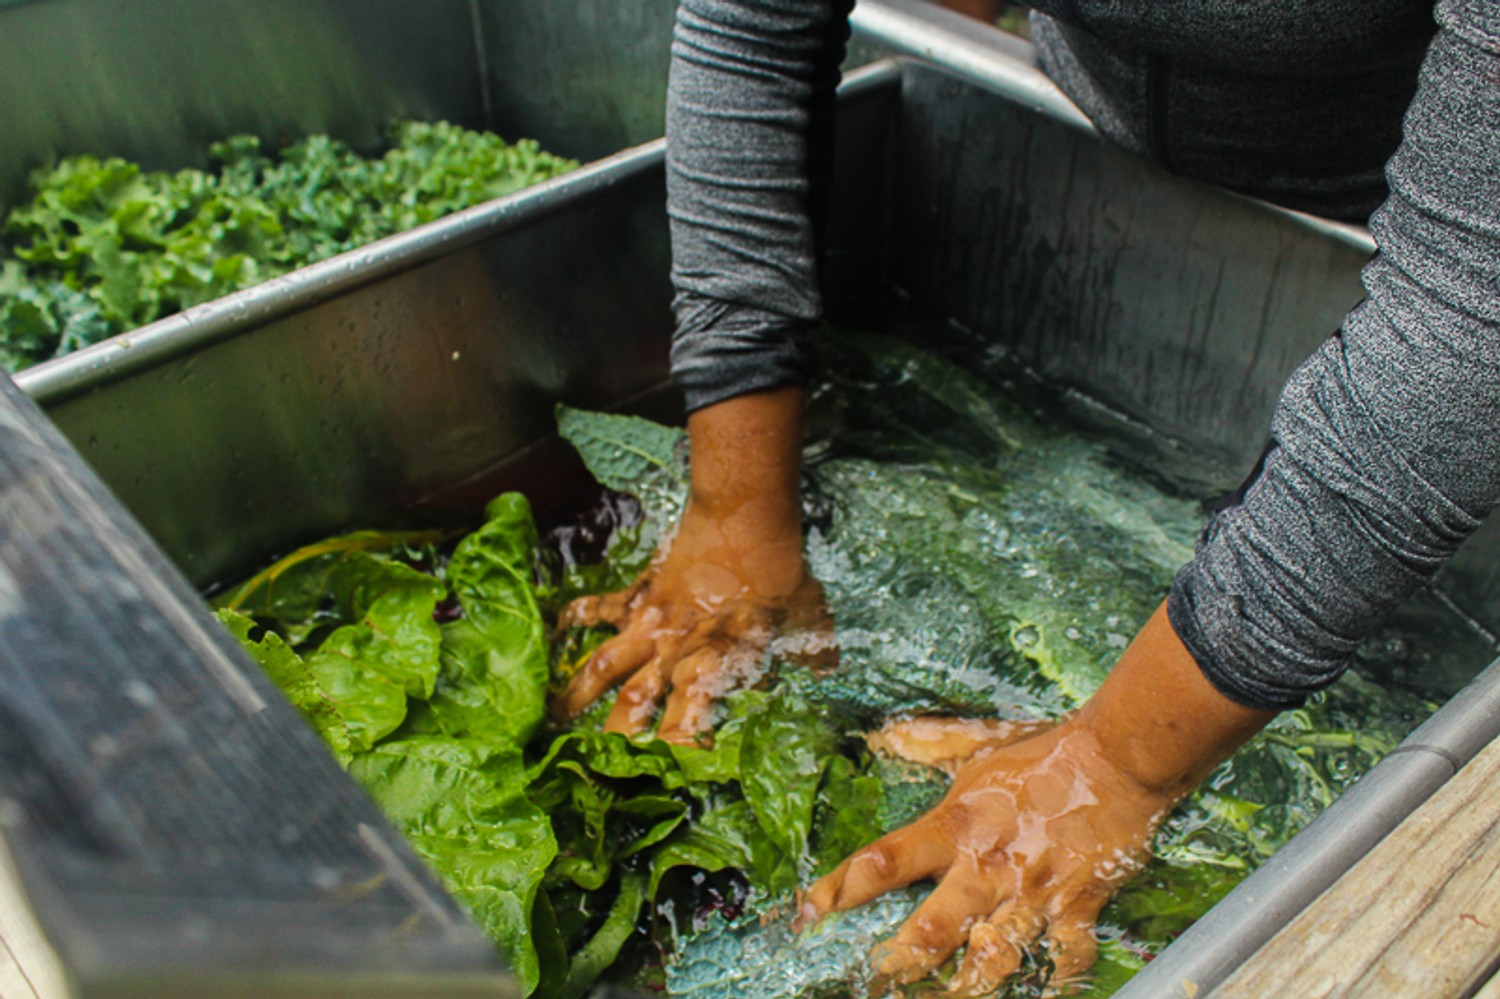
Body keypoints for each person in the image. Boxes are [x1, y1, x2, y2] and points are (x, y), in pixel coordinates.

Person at [554, 0, 1500, 993]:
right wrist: (735, 511)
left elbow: (1468, 316)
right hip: (1088, 141)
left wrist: (1117, 767)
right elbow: (754, 20)